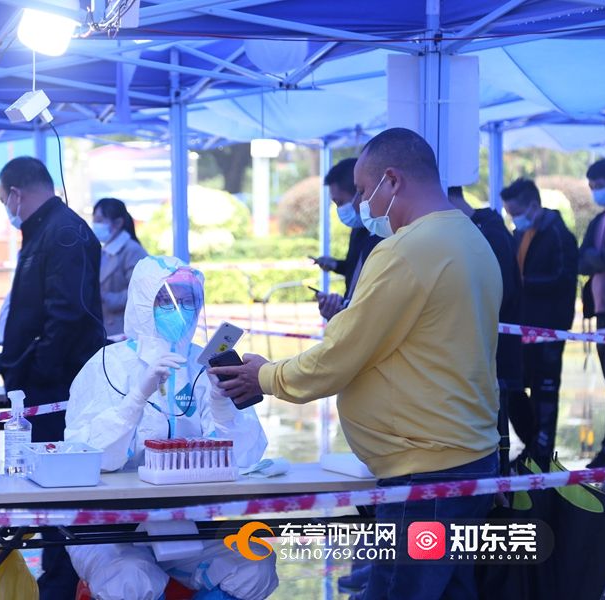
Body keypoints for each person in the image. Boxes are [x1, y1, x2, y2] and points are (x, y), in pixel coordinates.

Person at [211, 128, 501, 599]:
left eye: (364, 191)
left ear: (393, 181)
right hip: (466, 458)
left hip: (425, 474)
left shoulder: (407, 250)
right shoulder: (470, 237)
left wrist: (264, 376)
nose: (362, 205)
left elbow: (341, 354)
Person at [64, 256, 277, 600]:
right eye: (166, 299)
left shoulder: (203, 365)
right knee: (129, 580)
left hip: (187, 520)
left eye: (189, 299)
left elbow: (246, 459)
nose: (180, 309)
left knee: (254, 564)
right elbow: (89, 458)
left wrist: (222, 406)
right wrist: (136, 399)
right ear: (143, 301)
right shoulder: (107, 365)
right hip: (110, 522)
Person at [0, 156, 103, 598]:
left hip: (58, 388)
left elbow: (64, 316)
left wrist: (36, 373)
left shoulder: (64, 232)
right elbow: (35, 315)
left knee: (60, 486)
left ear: (15, 194)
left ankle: (64, 580)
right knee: (45, 485)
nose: (6, 208)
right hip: (38, 384)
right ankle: (57, 573)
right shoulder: (44, 230)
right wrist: (8, 362)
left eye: (3, 199)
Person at [501, 178, 578, 469]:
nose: (514, 219)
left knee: (545, 392)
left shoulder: (558, 234)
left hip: (548, 328)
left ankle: (542, 454)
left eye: (516, 212)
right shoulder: (519, 234)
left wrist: (523, 283)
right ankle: (532, 445)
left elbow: (563, 277)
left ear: (534, 205)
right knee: (515, 387)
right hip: (521, 327)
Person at [449, 186, 523, 474]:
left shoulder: (489, 233)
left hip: (495, 350)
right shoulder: (475, 230)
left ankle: (506, 476)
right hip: (482, 349)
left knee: (499, 424)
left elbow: (500, 292)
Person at [580, 158, 605, 467]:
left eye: (600, 186)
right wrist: (600, 258)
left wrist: (601, 258)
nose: (596, 192)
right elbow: (582, 259)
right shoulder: (597, 222)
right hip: (603, 314)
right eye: (592, 187)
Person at [312, 158, 382, 320]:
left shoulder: (387, 236)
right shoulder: (359, 230)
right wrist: (335, 265)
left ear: (360, 192)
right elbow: (355, 269)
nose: (339, 210)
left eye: (340, 202)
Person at [92, 197, 149, 338]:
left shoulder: (132, 251)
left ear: (118, 223)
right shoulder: (103, 250)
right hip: (106, 328)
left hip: (123, 330)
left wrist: (106, 297)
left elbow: (141, 292)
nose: (95, 225)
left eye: (100, 220)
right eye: (95, 220)